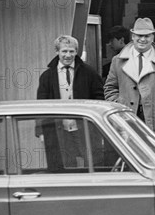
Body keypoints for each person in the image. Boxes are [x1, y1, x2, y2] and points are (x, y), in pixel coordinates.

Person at [104, 17, 155, 145]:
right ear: (133, 36)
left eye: (147, 36)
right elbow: (110, 88)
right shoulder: (117, 60)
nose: (142, 39)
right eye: (139, 35)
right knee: (131, 160)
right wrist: (119, 105)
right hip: (127, 119)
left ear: (152, 37)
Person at [36, 35, 104, 169]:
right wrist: (41, 131)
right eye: (64, 51)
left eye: (71, 51)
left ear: (76, 52)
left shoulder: (89, 73)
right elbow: (40, 106)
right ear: (57, 52)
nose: (68, 55)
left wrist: (100, 128)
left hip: (85, 129)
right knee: (63, 168)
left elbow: (99, 100)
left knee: (94, 164)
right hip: (58, 130)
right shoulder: (47, 77)